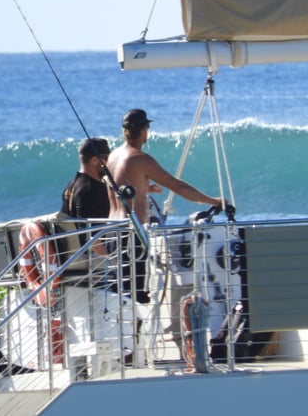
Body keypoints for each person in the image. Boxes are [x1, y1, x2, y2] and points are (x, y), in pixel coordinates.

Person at [105, 109, 224, 303]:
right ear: (144, 130)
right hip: (131, 235)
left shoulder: (113, 156)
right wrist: (213, 201)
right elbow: (178, 186)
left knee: (121, 297)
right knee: (136, 298)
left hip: (111, 232)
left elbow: (119, 187)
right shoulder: (140, 159)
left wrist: (145, 188)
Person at [61, 137, 111, 218]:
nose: (109, 163)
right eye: (107, 158)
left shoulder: (71, 185)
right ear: (94, 160)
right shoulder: (93, 189)